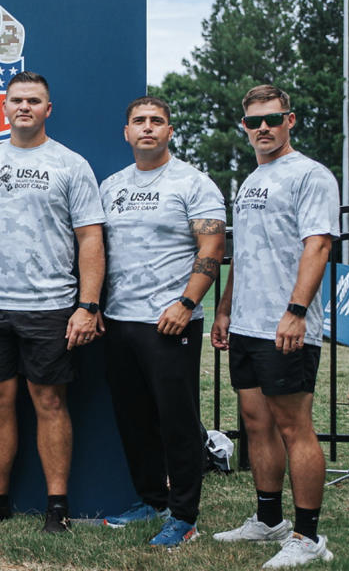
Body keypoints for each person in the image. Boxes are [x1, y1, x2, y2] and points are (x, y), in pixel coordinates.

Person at [0, 71, 105, 534]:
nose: (24, 107)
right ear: (3, 108)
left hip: (51, 305)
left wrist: (87, 305)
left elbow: (90, 238)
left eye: (34, 100)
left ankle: (57, 506)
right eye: (16, 100)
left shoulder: (72, 165)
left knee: (49, 401)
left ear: (48, 109)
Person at [211, 85, 339, 568]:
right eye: (253, 121)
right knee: (257, 424)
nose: (262, 128)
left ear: (290, 120)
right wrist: (225, 309)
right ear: (244, 127)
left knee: (293, 427)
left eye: (272, 118)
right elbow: (243, 254)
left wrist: (297, 311)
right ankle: (269, 522)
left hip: (287, 324)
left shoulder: (310, 174)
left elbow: (319, 246)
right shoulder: (251, 180)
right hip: (246, 323)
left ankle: (308, 538)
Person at [98, 96, 225, 547]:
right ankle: (151, 500)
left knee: (177, 420)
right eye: (139, 121)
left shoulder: (194, 183)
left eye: (157, 121)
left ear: (170, 131)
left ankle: (185, 516)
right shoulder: (110, 185)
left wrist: (187, 304)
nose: (148, 128)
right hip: (118, 320)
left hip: (171, 321)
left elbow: (211, 249)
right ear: (127, 132)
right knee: (134, 418)